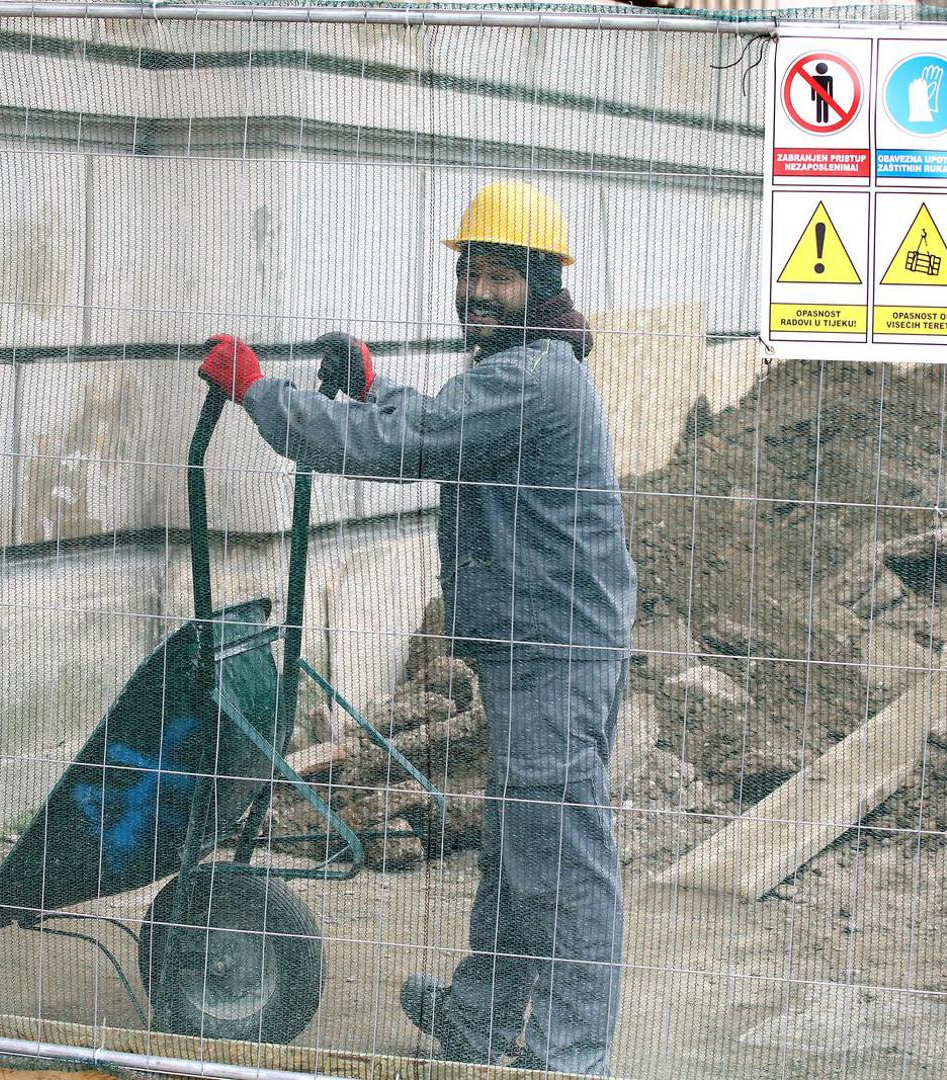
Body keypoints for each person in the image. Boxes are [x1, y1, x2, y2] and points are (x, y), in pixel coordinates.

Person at [198, 180, 636, 1076]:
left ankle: (569, 1053)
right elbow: (440, 425)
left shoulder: (535, 379)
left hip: (556, 654)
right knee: (520, 846)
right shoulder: (520, 368)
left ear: (543, 285)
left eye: (502, 276)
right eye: (471, 271)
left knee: (558, 856)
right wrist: (371, 383)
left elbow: (416, 443)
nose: (478, 291)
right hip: (535, 651)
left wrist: (262, 396)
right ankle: (484, 1017)